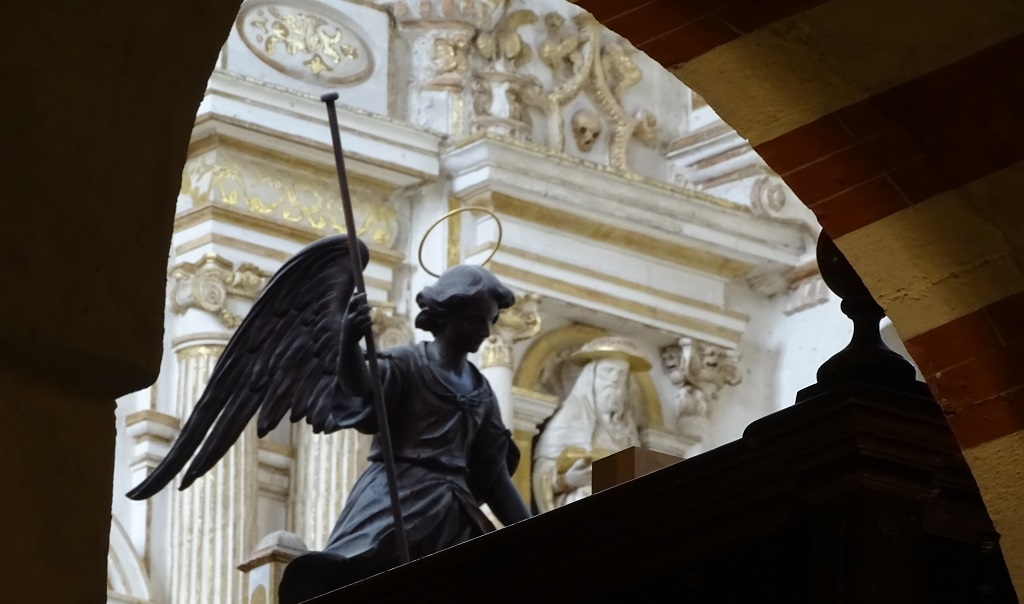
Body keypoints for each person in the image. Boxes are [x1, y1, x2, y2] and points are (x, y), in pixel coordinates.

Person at [279, 264, 531, 603]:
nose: (485, 330)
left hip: (453, 514)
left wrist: (536, 534)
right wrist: (349, 343)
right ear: (446, 315)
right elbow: (360, 388)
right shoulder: (406, 363)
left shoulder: (481, 391)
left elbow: (495, 477)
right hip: (396, 495)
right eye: (475, 319)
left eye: (490, 320)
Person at [532, 337, 650, 513]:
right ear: (591, 377)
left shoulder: (628, 431)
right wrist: (569, 480)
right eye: (607, 371)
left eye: (620, 375)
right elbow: (542, 472)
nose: (613, 381)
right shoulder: (572, 415)